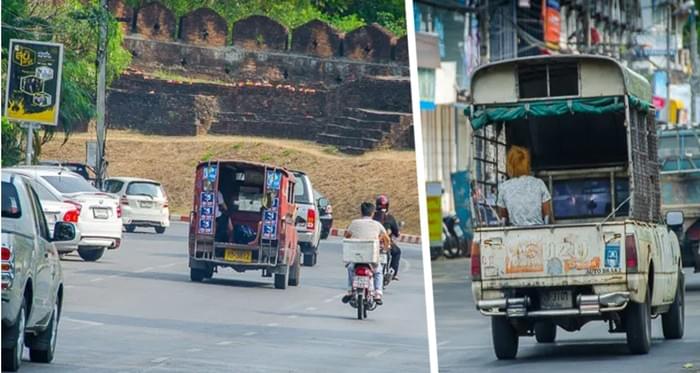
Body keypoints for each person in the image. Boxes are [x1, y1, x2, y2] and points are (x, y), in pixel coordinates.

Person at [342, 202, 391, 305]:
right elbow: (386, 238)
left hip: (356, 257)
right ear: (372, 213)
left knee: (350, 268)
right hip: (371, 258)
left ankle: (350, 291)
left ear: (361, 212)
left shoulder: (354, 223)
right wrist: (385, 248)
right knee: (378, 271)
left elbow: (346, 236)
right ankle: (378, 293)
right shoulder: (377, 224)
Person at [497, 146, 554, 226]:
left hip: (514, 234)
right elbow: (547, 214)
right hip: (539, 233)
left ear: (510, 165)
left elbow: (503, 217)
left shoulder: (504, 187)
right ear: (527, 164)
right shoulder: (539, 183)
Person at [373, 195, 402, 281]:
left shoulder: (372, 216)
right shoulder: (390, 217)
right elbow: (396, 233)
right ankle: (393, 273)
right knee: (397, 252)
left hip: (373, 241)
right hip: (386, 242)